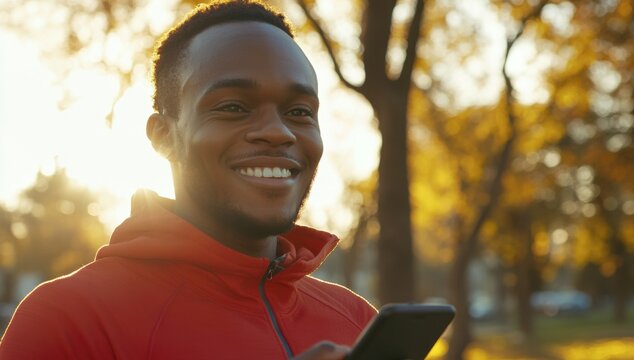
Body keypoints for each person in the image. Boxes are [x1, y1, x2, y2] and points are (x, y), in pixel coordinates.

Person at [0, 1, 377, 359]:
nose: (278, 132)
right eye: (233, 107)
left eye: (299, 112)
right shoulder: (69, 320)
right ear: (163, 136)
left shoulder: (359, 323)